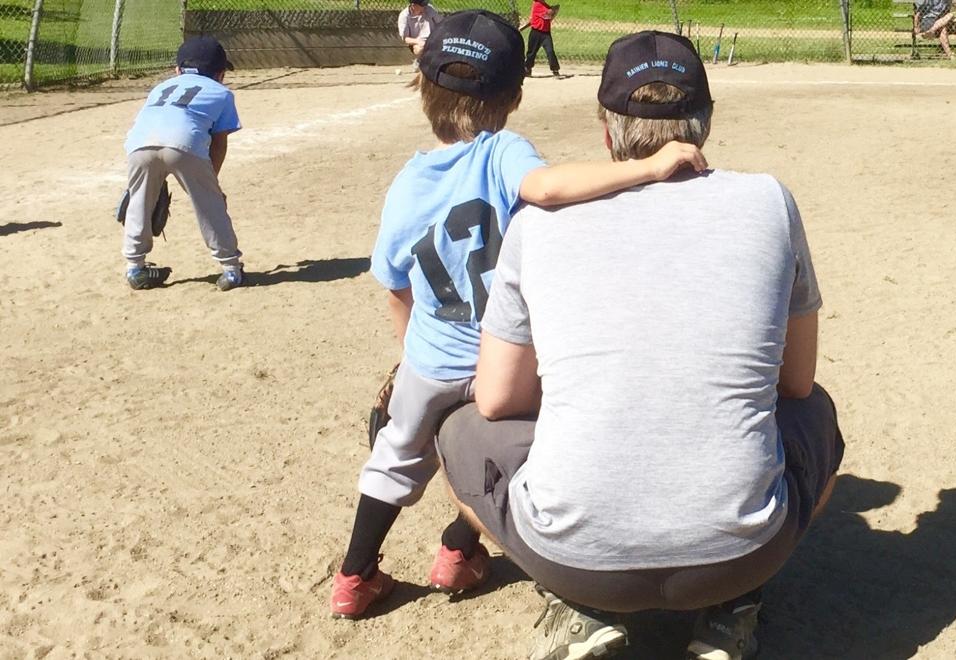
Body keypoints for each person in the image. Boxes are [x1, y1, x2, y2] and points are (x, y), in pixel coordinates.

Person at [434, 31, 846, 660]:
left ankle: (576, 608)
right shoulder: (768, 200)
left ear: (607, 131)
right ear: (704, 123)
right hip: (740, 552)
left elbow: (499, 398)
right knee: (816, 414)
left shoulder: (538, 223)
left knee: (460, 422)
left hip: (574, 558)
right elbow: (795, 383)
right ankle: (732, 607)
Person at [328, 11, 707, 621]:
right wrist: (646, 167)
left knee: (397, 453)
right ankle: (457, 550)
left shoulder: (406, 183)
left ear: (420, 85)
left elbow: (394, 283)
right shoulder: (503, 152)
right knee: (499, 458)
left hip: (430, 356)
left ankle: (354, 576)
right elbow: (547, 189)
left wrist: (410, 357)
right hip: (505, 358)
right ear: (515, 95)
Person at [121, 36, 244, 292]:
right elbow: (219, 143)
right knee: (210, 205)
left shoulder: (159, 88)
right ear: (220, 74)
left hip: (138, 144)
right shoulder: (222, 93)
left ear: (177, 71)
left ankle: (135, 267)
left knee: (139, 202)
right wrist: (212, 186)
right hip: (184, 143)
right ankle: (231, 269)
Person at [523, 0, 562, 77]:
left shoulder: (546, 6)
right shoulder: (537, 4)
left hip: (546, 34)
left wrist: (554, 10)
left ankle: (555, 69)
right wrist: (554, 10)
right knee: (531, 53)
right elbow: (548, 15)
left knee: (550, 51)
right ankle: (527, 68)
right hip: (536, 33)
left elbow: (552, 13)